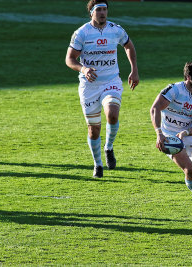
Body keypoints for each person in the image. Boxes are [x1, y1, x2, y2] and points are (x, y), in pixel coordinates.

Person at [65, 0, 139, 178]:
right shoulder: (82, 33)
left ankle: (109, 147)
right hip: (89, 86)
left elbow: (128, 45)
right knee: (93, 129)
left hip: (111, 82)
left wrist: (134, 70)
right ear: (91, 12)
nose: (103, 13)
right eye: (99, 10)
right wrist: (84, 69)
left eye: (105, 9)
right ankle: (98, 164)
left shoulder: (116, 30)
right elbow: (70, 59)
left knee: (112, 114)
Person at [150, 61, 192, 210]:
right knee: (188, 169)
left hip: (188, 135)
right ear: (188, 77)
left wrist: (186, 132)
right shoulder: (174, 90)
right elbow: (155, 108)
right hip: (170, 138)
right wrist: (159, 133)